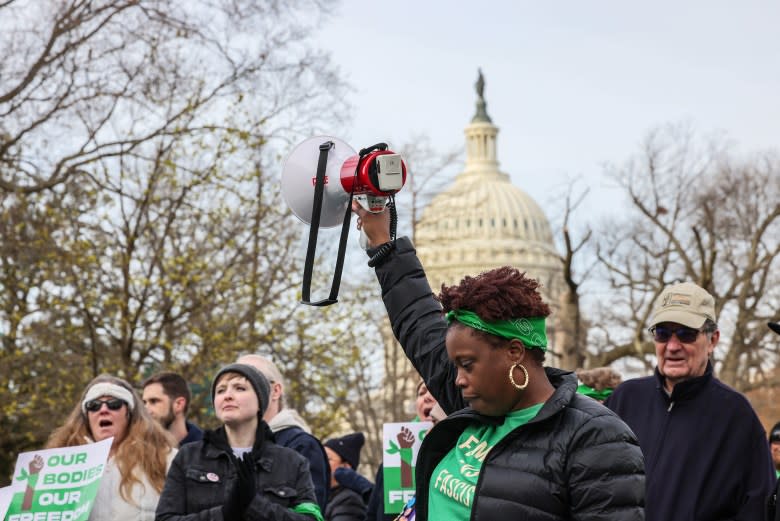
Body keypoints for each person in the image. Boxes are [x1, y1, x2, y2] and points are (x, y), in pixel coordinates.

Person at [353, 201, 645, 521]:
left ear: (514, 353)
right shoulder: (475, 409)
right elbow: (419, 322)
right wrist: (383, 243)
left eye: (467, 364)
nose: (457, 379)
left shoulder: (595, 436)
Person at [605, 281, 775, 521]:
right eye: (663, 334)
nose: (673, 346)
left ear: (713, 340)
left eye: (686, 334)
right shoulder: (625, 399)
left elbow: (758, 508)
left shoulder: (737, 415)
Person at [155, 363, 323, 521]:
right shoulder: (189, 456)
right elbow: (165, 518)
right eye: (220, 391)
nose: (227, 396)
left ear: (260, 401)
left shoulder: (292, 462)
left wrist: (255, 504)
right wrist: (225, 513)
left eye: (240, 388)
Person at [47, 374, 177, 521]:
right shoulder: (59, 465)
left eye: (114, 404)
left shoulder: (166, 459)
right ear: (87, 416)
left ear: (129, 413)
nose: (103, 410)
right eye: (94, 405)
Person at [237, 353, 330, 510]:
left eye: (245, 385)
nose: (233, 395)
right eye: (230, 387)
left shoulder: (302, 445)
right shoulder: (224, 447)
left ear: (275, 391)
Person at [365, 381, 439, 521]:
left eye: (434, 390)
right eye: (422, 392)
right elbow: (372, 514)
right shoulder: (390, 459)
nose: (427, 397)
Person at [142, 371, 204, 446]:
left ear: (179, 404)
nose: (146, 410)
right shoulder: (137, 449)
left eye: (154, 401)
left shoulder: (209, 451)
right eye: (144, 402)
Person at [323, 433, 368, 521]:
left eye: (328, 459)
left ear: (346, 467)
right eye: (320, 457)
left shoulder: (350, 500)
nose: (320, 462)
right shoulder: (325, 496)